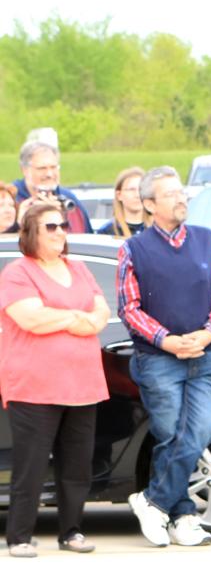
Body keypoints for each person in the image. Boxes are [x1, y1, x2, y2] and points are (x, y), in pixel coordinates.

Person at [118, 166, 211, 548]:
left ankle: (152, 501)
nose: (180, 198)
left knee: (198, 431)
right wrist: (166, 341)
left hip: (207, 355)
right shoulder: (134, 249)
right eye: (170, 194)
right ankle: (183, 516)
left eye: (181, 192)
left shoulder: (207, 240)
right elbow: (129, 307)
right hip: (159, 359)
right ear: (150, 204)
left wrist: (209, 332)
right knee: (170, 435)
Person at [0, 202, 110, 557]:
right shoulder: (18, 273)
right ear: (32, 232)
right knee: (31, 465)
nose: (61, 231)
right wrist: (77, 317)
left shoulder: (78, 268)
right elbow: (31, 318)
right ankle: (19, 536)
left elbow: (102, 312)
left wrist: (69, 317)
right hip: (34, 387)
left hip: (83, 385)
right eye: (51, 226)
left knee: (77, 465)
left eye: (63, 225)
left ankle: (71, 532)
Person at [13, 141, 93, 233]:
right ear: (24, 170)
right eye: (42, 168)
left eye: (53, 167)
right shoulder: (10, 200)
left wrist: (60, 216)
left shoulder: (70, 200)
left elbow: (89, 238)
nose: (49, 174)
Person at [97, 167, 147, 238]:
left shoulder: (158, 229)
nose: (137, 195)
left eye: (141, 189)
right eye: (131, 189)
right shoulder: (106, 232)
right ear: (119, 195)